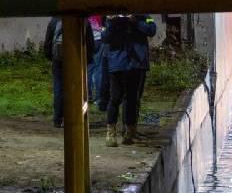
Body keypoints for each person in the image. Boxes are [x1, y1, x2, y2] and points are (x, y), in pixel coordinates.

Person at [103, 14, 156, 146]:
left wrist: (135, 22)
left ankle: (129, 132)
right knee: (115, 98)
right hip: (118, 63)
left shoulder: (142, 14)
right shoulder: (111, 17)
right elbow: (105, 38)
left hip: (135, 64)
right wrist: (112, 22)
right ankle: (111, 133)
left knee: (132, 98)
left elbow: (151, 30)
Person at [43, 16, 96, 128]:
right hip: (77, 59)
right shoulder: (83, 20)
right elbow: (90, 43)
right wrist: (88, 59)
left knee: (59, 88)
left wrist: (52, 57)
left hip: (58, 59)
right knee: (79, 89)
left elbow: (47, 43)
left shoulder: (54, 20)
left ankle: (58, 118)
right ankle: (79, 116)